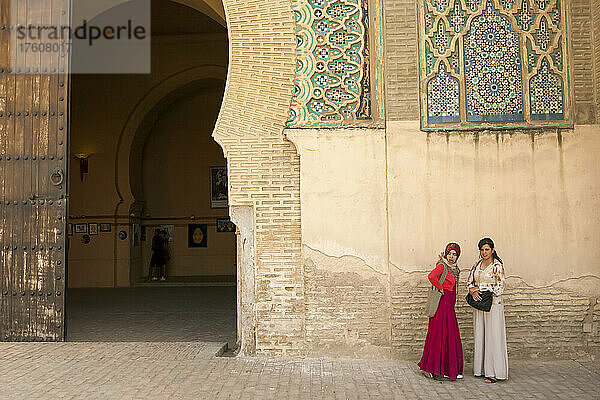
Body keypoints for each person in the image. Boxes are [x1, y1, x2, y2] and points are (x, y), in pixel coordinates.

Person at [418, 242, 464, 381]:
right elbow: (432, 276)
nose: (451, 257)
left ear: (457, 256)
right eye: (449, 254)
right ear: (445, 254)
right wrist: (440, 288)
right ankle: (432, 368)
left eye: (454, 254)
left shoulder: (455, 269)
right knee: (439, 336)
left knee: (449, 336)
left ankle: (445, 368)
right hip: (441, 306)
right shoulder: (442, 266)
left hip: (449, 307)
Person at [467, 237, 508, 383]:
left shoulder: (497, 266)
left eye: (487, 249)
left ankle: (494, 372)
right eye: (482, 250)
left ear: (492, 250)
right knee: (481, 335)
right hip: (479, 305)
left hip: (493, 306)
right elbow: (470, 282)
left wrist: (481, 289)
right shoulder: (476, 265)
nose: (484, 252)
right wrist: (472, 290)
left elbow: (500, 288)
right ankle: (481, 370)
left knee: (493, 336)